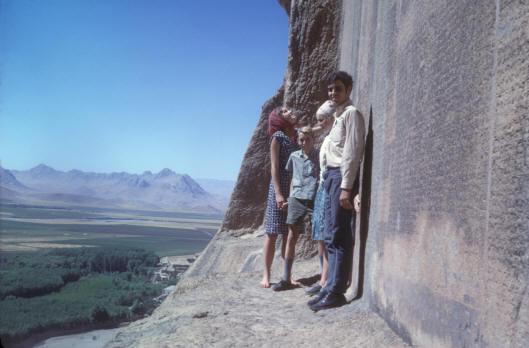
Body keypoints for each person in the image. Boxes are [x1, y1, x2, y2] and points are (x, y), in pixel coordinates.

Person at [309, 71, 366, 311]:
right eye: (330, 89)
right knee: (332, 235)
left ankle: (336, 291)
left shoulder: (352, 114)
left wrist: (346, 188)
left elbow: (352, 154)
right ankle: (330, 286)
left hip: (341, 178)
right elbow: (322, 111)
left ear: (349, 89)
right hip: (331, 177)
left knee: (339, 235)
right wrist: (332, 100)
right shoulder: (337, 114)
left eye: (338, 89)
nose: (333, 93)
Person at [272, 126, 319, 291]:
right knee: (291, 236)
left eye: (307, 139)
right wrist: (291, 197)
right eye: (301, 140)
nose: (304, 143)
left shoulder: (320, 155)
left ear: (313, 139)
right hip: (297, 198)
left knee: (320, 236)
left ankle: (324, 280)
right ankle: (286, 278)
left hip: (314, 198)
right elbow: (292, 177)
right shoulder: (294, 156)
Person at [261, 106, 299, 288]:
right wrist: (278, 193)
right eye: (285, 111)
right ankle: (266, 275)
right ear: (278, 118)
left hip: (294, 189)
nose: (290, 111)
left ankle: (287, 275)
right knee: (273, 232)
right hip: (280, 188)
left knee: (288, 233)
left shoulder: (296, 136)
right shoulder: (277, 138)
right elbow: (274, 167)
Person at [305, 100, 337, 296]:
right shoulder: (326, 135)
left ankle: (326, 279)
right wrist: (316, 125)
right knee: (319, 236)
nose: (319, 124)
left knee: (325, 236)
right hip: (321, 188)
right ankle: (322, 277)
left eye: (322, 120)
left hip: (327, 187)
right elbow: (315, 128)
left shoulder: (334, 136)